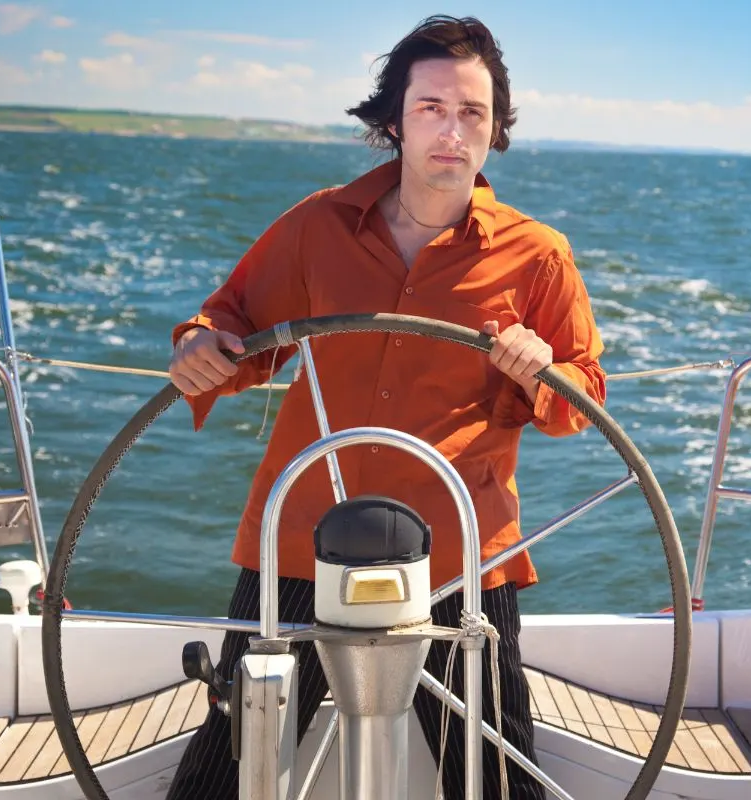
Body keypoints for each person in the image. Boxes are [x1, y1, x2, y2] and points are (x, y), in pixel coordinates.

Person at [164, 14, 605, 800]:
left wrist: (544, 371)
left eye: (472, 112)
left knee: (498, 776)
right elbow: (233, 321)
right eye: (432, 107)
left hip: (462, 555)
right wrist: (202, 344)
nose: (452, 129)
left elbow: (581, 398)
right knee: (225, 770)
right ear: (393, 120)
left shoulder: (538, 255)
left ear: (496, 128)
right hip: (301, 537)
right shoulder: (316, 226)